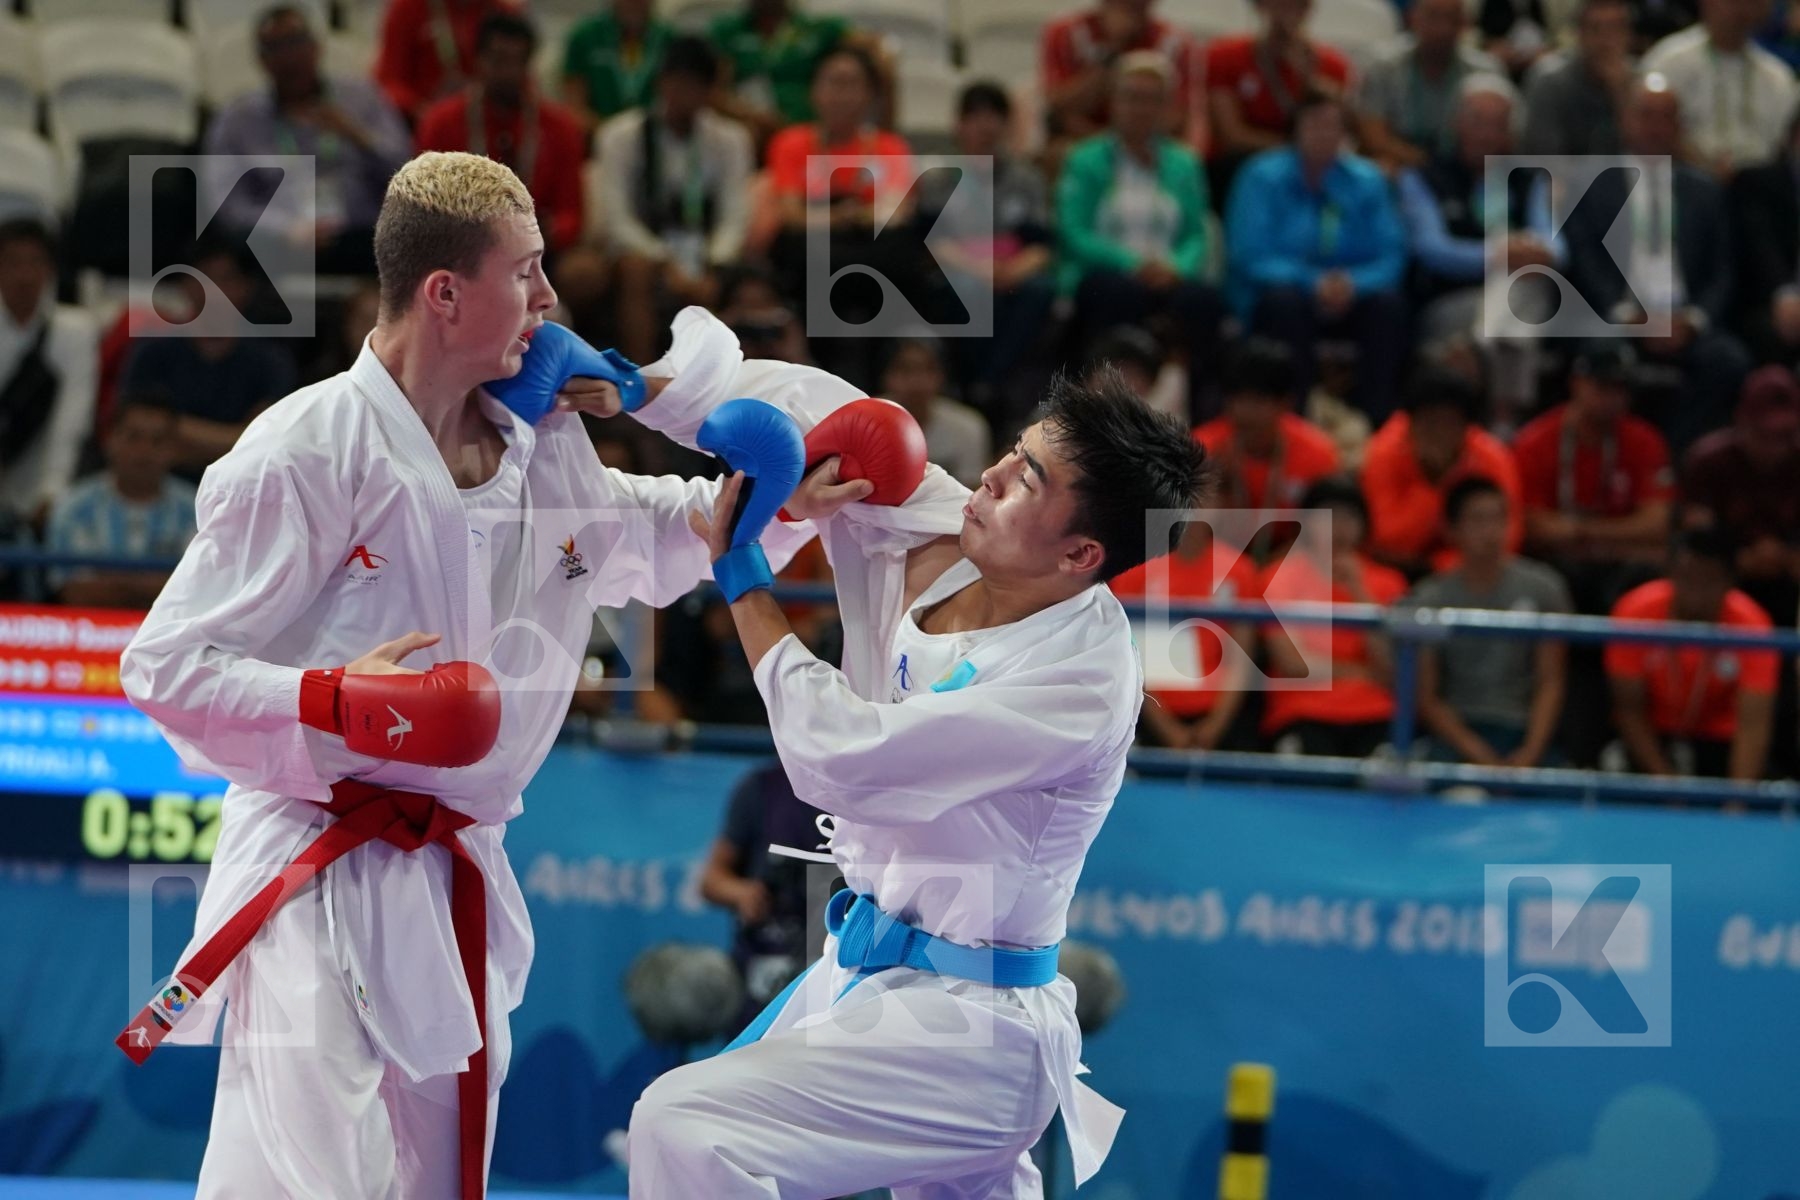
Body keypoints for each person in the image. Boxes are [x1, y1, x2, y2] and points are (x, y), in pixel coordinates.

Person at [113, 152, 816, 1198]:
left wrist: (777, 501)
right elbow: (164, 666)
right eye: (527, 273)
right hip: (316, 848)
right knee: (295, 1168)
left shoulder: (545, 439)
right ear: (446, 293)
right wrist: (337, 700)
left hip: (455, 863)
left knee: (447, 1171)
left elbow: (638, 534)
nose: (551, 300)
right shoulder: (306, 453)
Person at [626, 334, 1211, 1194]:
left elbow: (841, 760)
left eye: (1026, 483)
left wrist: (744, 578)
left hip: (970, 1033)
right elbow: (820, 407)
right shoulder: (957, 533)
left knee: (684, 1126)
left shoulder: (1077, 679)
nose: (991, 478)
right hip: (869, 977)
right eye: (1013, 453)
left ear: (1082, 556)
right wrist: (632, 387)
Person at [1563, 77, 1752, 453]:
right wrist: (1626, 314)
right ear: (1625, 121)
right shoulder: (1593, 183)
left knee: (1729, 361)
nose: (1655, 127)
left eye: (1666, 117)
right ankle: (1618, 457)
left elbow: (1723, 270)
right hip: (1618, 318)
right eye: (1645, 115)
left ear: (1679, 126)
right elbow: (1585, 261)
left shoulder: (1705, 190)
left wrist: (1693, 320)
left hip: (1684, 319)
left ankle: (1668, 454)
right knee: (1600, 356)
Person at [1059, 52, 1223, 422]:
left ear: (1167, 106)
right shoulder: (1084, 160)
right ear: (1113, 102)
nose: (1141, 107)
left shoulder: (1185, 163)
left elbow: (1198, 233)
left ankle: (1200, 414)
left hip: (1168, 274)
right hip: (1108, 272)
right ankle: (1098, 411)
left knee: (1204, 301)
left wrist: (1176, 267)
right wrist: (1132, 264)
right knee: (1116, 291)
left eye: (1152, 99)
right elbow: (1074, 231)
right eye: (1132, 96)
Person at [1226, 92, 1409, 422]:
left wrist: (1354, 284)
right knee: (1284, 303)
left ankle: (1377, 421)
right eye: (1314, 124)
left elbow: (1392, 254)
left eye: (1333, 125)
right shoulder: (1261, 176)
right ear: (1295, 128)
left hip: (1352, 294)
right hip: (1286, 294)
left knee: (1389, 307)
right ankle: (1294, 417)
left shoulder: (1368, 180)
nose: (1324, 133)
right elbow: (1249, 253)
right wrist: (1314, 282)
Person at [1399, 74, 1563, 427]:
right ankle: (1506, 417)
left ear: (1511, 132)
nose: (1487, 134)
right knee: (1521, 285)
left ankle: (1481, 352)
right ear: (1458, 124)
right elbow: (1431, 249)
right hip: (1450, 302)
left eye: (1497, 125)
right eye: (1478, 122)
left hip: (1516, 304)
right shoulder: (1424, 177)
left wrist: (1539, 254)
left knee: (1528, 281)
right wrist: (1497, 255)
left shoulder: (1529, 179)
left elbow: (1555, 245)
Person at [204, 5, 411, 277]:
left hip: (361, 236)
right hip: (279, 243)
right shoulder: (238, 118)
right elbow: (225, 201)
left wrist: (358, 136)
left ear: (316, 47)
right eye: (275, 47)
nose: (289, 56)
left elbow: (408, 172)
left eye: (296, 42)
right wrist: (283, 229)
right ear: (261, 59)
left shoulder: (361, 99)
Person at [597, 36, 754, 365]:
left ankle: (714, 386)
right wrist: (664, 261)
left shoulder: (731, 140)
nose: (684, 94)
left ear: (711, 91)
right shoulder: (620, 136)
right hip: (647, 252)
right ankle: (638, 386)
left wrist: (714, 263)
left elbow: (735, 216)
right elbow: (617, 219)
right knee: (635, 269)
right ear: (661, 82)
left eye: (696, 86)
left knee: (744, 278)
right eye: (677, 83)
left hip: (706, 250)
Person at [1407, 477, 1571, 766]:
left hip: (1524, 730)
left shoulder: (1544, 588)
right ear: (1452, 529)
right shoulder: (1429, 598)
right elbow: (1427, 696)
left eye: (1499, 519)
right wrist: (1479, 755)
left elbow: (1551, 681)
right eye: (1478, 520)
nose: (1491, 532)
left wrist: (1530, 752)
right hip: (1459, 732)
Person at [917, 82, 1057, 415]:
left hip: (1013, 270)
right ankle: (978, 384)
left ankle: (989, 382)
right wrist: (981, 270)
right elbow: (933, 242)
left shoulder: (1028, 179)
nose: (986, 126)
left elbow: (1042, 243)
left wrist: (1013, 270)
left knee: (1039, 290)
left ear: (1007, 126)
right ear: (959, 125)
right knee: (964, 290)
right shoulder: (939, 178)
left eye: (995, 117)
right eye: (975, 116)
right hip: (961, 270)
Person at [117, 240, 298, 483]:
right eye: (204, 278)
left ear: (247, 287)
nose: (214, 291)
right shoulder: (151, 351)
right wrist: (233, 439)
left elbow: (266, 441)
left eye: (226, 279)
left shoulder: (272, 360)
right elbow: (138, 432)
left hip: (245, 486)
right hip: (159, 486)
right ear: (186, 286)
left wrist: (176, 433)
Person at [1605, 526, 1777, 781]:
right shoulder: (1634, 613)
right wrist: (1666, 782)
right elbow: (1630, 711)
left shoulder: (1753, 627)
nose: (1696, 590)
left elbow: (1753, 724)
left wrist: (1738, 802)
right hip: (1655, 734)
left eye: (1708, 579)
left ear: (1729, 581)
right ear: (1670, 574)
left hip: (1719, 741)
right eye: (1687, 576)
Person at [1513, 340, 1673, 610]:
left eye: (1621, 390)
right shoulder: (1535, 441)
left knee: (1648, 570)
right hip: (1557, 562)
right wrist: (1618, 535)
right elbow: (1533, 526)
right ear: (1577, 383)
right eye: (1602, 387)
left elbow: (1656, 524)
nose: (1612, 399)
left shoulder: (1645, 440)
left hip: (1617, 562)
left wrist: (1579, 532)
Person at [1257, 476, 1409, 758]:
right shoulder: (1278, 577)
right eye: (1327, 517)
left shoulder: (1389, 582)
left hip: (1375, 713)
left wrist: (1359, 591)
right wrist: (1360, 672)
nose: (1339, 528)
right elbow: (1293, 665)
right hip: (1302, 712)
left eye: (1349, 517)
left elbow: (1392, 670)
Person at [415, 13, 589, 255]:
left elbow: (571, 214)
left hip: (538, 247)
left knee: (585, 273)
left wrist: (547, 232)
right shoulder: (442, 122)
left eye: (518, 62)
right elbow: (425, 205)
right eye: (499, 60)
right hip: (464, 247)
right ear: (478, 60)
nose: (508, 72)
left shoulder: (559, 126)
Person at [699, 760, 832, 1029]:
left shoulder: (863, 791)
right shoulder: (762, 789)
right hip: (764, 969)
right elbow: (712, 880)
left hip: (834, 971)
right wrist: (742, 893)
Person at [1361, 365, 1523, 576]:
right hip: (1394, 571)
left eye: (1448, 423)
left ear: (1467, 428)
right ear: (1410, 422)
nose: (1438, 433)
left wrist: (1439, 565)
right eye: (1429, 422)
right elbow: (1384, 540)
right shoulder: (1383, 453)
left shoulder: (1492, 458)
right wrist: (1433, 484)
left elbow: (1507, 540)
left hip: (1466, 574)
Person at [44, 392, 196, 609]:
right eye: (133, 437)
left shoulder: (198, 509)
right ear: (110, 440)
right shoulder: (73, 508)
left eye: (157, 441)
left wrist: (115, 581)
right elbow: (76, 594)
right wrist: (156, 586)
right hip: (91, 637)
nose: (144, 451)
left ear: (174, 448)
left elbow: (197, 596)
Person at [0, 217, 97, 528]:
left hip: (40, 486)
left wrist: (53, 491)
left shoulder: (75, 331)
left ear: (50, 269)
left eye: (34, 262)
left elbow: (71, 420)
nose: (24, 275)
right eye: (12, 263)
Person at [1640, 0, 1799, 178]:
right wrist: (1703, 165)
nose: (1742, 8)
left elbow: (1784, 144)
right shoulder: (1668, 61)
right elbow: (1647, 129)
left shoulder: (1778, 77)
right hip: (1684, 177)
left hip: (1761, 186)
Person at [1203, 0, 1353, 180]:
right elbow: (1231, 135)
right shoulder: (1224, 55)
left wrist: (1307, 77)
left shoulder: (1333, 66)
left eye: (1298, 4)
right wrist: (1296, 147)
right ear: (1259, 5)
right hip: (1239, 164)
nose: (1287, 11)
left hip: (1309, 165)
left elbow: (1330, 129)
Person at [707, 0, 887, 145]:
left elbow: (879, 58)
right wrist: (750, 116)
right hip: (751, 133)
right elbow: (711, 90)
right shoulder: (726, 31)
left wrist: (884, 129)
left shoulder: (819, 29)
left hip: (809, 133)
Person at [1193, 337, 1339, 512]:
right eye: (1237, 399)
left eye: (1257, 401)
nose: (1244, 412)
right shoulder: (1200, 450)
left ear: (1286, 403)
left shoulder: (1318, 453)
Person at [1357, 0, 1505, 172]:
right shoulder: (1383, 67)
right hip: (1404, 166)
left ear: (1465, 23)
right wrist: (1426, 166)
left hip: (1469, 170)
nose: (1443, 28)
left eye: (1452, 18)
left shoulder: (1486, 70)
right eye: (1433, 17)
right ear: (1412, 19)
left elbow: (1503, 137)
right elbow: (1374, 137)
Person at [1040, 0, 1197, 143]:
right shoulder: (1066, 32)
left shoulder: (1175, 42)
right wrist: (1113, 47)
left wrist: (1122, 149)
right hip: (1080, 143)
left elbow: (1176, 120)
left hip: (1150, 149)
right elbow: (1059, 108)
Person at [375, 0, 522, 123]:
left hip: (488, 124)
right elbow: (388, 82)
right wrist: (424, 112)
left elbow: (522, 79)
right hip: (420, 125)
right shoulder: (408, 8)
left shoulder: (502, 12)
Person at [1521, 0, 1635, 157]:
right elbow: (1543, 158)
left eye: (1614, 29)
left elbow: (1649, 157)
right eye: (1595, 30)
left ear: (1628, 35)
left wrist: (1621, 95)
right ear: (1579, 34)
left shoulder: (1641, 82)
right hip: (1564, 177)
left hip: (1626, 180)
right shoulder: (1550, 81)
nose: (1605, 41)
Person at [875, 338, 993, 489]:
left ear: (941, 376)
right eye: (904, 369)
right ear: (886, 375)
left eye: (928, 369)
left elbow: (972, 493)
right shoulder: (862, 421)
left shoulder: (969, 427)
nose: (916, 381)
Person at [561, 0, 677, 132]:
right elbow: (574, 108)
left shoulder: (670, 40)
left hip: (655, 140)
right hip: (597, 136)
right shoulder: (585, 38)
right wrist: (612, 135)